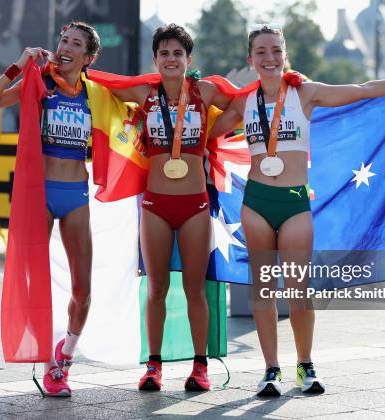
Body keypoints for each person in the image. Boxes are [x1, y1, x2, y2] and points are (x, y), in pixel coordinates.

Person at [210, 25, 385, 396]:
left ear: (285, 54)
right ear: (250, 59)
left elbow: (361, 90)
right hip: (255, 203)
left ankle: (305, 365)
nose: (269, 58)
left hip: (294, 202)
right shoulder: (243, 102)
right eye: (261, 52)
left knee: (299, 290)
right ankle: (270, 369)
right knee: (264, 289)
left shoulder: (305, 92)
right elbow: (207, 136)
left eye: (275, 50)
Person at [102, 24, 232, 391]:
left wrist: (218, 127)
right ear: (155, 60)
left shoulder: (204, 92)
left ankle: (200, 366)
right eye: (164, 53)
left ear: (189, 59)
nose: (171, 59)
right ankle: (153, 366)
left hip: (195, 205)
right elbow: (102, 84)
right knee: (156, 288)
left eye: (178, 53)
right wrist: (64, 67)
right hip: (155, 205)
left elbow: (244, 101)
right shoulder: (145, 93)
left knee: (195, 288)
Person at [0, 21, 101, 397]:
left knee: (83, 289)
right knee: (36, 282)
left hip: (75, 193)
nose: (65, 47)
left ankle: (67, 353)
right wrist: (18, 66)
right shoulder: (40, 82)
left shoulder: (96, 94)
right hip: (39, 192)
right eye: (63, 40)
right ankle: (52, 369)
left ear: (88, 57)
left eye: (75, 43)